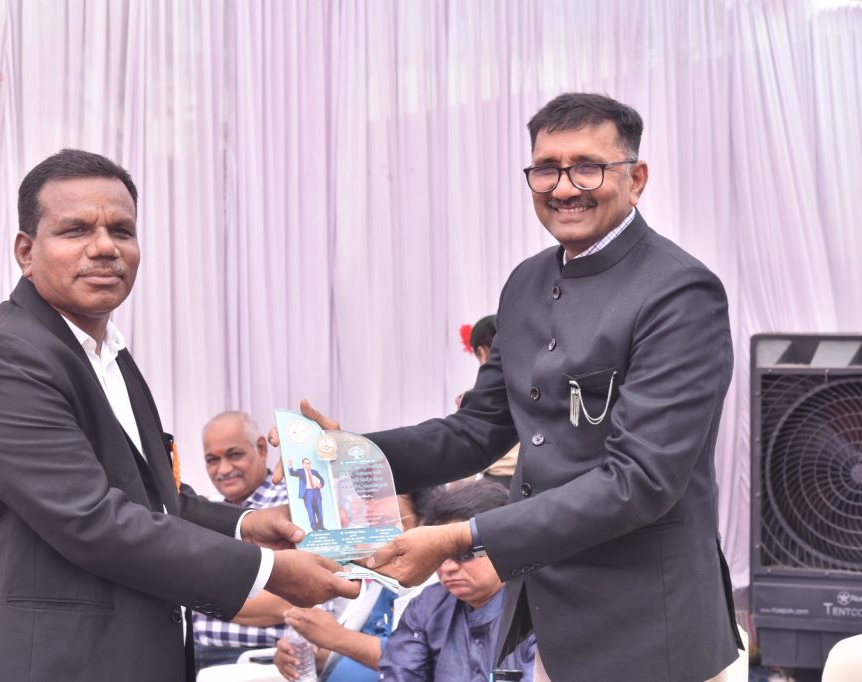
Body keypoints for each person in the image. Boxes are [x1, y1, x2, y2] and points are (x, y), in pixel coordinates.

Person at [280, 93, 741, 681]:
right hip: (549, 623)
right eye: (546, 169)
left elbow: (641, 480)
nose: (564, 188)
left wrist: (462, 536)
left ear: (637, 178)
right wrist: (349, 453)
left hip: (652, 631)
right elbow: (476, 430)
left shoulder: (678, 292)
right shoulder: (527, 282)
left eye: (588, 167)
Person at [0, 149, 358, 682]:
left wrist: (246, 524)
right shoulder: (2, 356)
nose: (104, 247)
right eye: (75, 230)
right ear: (26, 251)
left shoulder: (110, 355)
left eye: (122, 230)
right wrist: (269, 570)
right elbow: (91, 518)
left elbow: (150, 496)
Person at [378, 480, 535, 682]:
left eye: (463, 554)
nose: (447, 567)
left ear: (504, 546)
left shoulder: (541, 610)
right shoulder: (427, 606)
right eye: (438, 556)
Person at [274, 492, 435, 682]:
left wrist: (336, 636)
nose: (374, 534)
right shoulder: (376, 581)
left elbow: (417, 661)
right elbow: (348, 656)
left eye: (386, 523)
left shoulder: (439, 588)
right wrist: (303, 655)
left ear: (423, 524)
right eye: (370, 524)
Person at [194, 411, 295, 670]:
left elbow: (291, 599)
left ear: (261, 448)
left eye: (234, 454)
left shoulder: (291, 505)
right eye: (212, 460)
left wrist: (189, 591)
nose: (224, 469)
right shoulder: (206, 512)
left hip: (265, 662)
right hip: (194, 658)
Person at [460, 315, 518, 488]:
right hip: (535, 484)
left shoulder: (476, 396)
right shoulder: (534, 385)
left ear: (482, 352)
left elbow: (468, 447)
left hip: (496, 483)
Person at [288, 457, 327, 530]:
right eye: (306, 463)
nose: (307, 465)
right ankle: (314, 527)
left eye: (309, 463)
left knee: (319, 510)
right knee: (310, 511)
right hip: (307, 493)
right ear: (303, 464)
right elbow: (292, 473)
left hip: (316, 492)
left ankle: (321, 526)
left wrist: (320, 485)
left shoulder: (315, 472)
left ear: (310, 464)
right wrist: (290, 466)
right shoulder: (300, 471)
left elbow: (322, 480)